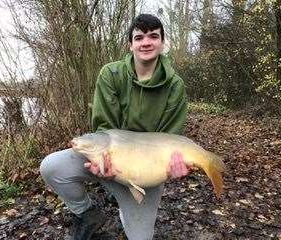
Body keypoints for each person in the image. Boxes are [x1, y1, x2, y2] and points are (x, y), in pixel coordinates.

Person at [40, 13, 190, 240]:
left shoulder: (175, 86)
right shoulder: (110, 73)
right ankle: (86, 213)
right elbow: (104, 128)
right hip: (109, 158)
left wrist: (172, 168)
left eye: (153, 36)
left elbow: (170, 140)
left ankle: (125, 203)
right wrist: (103, 163)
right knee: (51, 166)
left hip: (145, 173)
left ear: (162, 42)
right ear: (130, 45)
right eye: (139, 37)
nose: (146, 42)